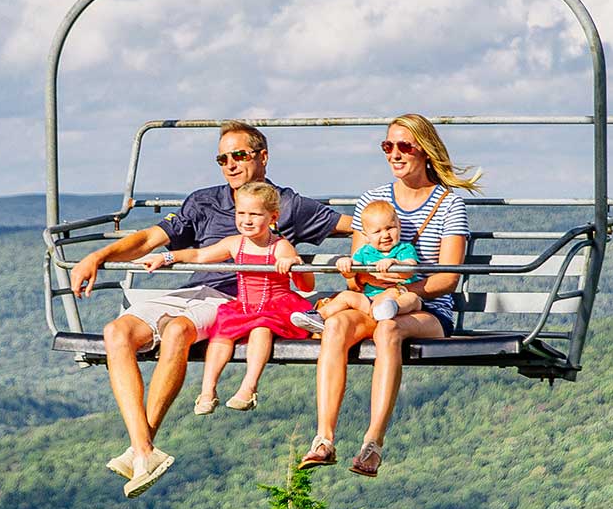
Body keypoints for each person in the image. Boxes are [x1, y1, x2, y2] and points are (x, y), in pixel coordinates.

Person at [69, 121, 350, 498]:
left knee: (176, 331)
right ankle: (143, 449)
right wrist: (98, 256)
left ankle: (141, 450)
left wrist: (385, 249)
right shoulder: (203, 201)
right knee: (115, 333)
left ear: (262, 157)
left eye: (240, 155)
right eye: (222, 158)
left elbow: (353, 226)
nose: (230, 165)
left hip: (236, 301)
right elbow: (151, 238)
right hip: (193, 289)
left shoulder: (285, 204)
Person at [297, 113, 482, 478]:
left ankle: (372, 442)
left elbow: (447, 279)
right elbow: (357, 279)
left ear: (425, 150)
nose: (395, 154)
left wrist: (401, 292)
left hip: (425, 309)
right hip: (372, 300)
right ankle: (324, 438)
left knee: (388, 331)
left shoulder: (449, 204)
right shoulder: (373, 200)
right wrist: (353, 272)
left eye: (404, 146)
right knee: (335, 326)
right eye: (388, 146)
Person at [142, 181, 315, 415]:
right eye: (241, 213)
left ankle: (248, 387)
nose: (247, 219)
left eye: (255, 214)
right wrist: (168, 257)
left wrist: (294, 265)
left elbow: (307, 285)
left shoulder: (280, 247)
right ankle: (207, 391)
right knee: (221, 334)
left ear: (273, 217)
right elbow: (200, 255)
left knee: (260, 330)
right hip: (245, 305)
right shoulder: (236, 244)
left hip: (275, 307)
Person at [289, 199, 424, 330]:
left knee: (411, 298)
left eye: (390, 228)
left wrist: (395, 262)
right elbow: (352, 272)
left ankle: (391, 308)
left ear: (399, 226)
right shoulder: (365, 251)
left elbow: (410, 268)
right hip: (370, 299)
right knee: (346, 296)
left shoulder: (404, 249)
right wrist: (347, 264)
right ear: (366, 236)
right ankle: (319, 316)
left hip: (396, 295)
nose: (385, 235)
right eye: (377, 232)